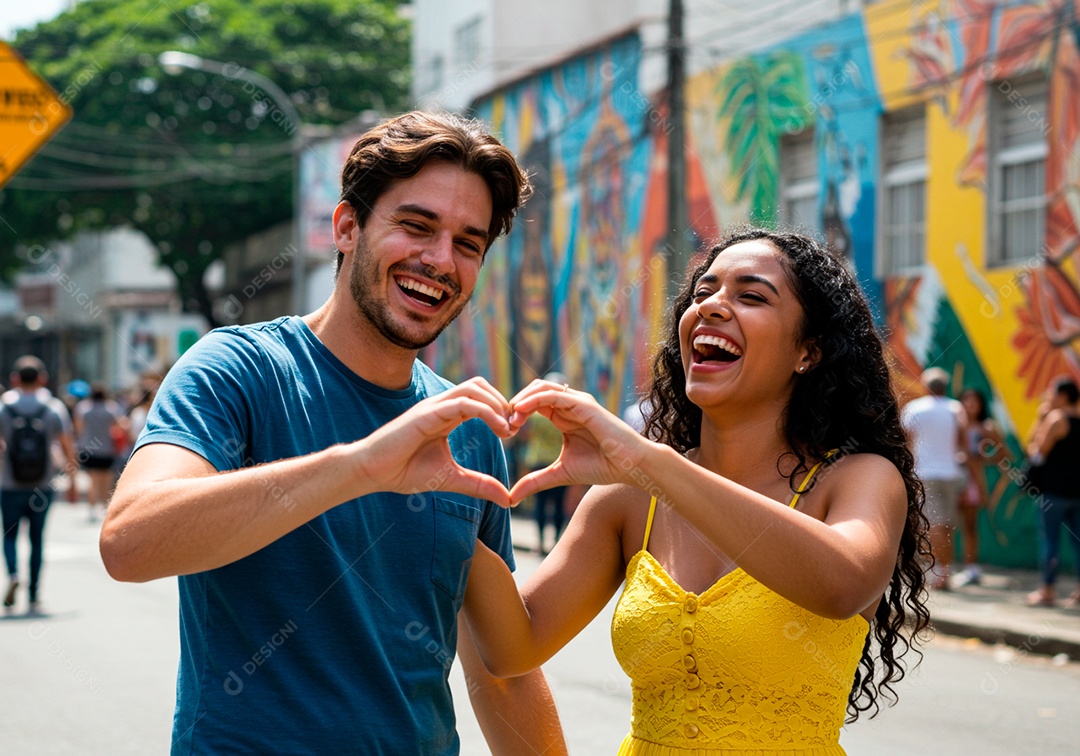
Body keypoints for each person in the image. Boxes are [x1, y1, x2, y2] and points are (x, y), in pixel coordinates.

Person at [100, 111, 566, 755]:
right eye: (415, 225)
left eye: (468, 243)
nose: (438, 260)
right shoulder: (240, 370)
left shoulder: (467, 429)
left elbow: (499, 668)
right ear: (347, 226)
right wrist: (361, 466)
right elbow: (130, 542)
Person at [461, 229, 932, 753]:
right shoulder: (627, 498)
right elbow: (512, 648)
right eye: (703, 294)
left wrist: (648, 461)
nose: (711, 308)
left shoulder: (857, 478)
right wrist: (446, 494)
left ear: (808, 351)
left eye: (751, 296)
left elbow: (842, 583)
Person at [1, 356, 76, 614]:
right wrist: (73, 480)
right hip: (42, 485)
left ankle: (12, 573)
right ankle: (33, 595)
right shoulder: (53, 408)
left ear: (14, 379)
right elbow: (67, 446)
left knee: (9, 535)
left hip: (9, 483)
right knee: (37, 540)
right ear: (43, 379)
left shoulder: (3, 408)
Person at [901, 367, 966, 589]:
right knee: (947, 523)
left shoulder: (914, 409)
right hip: (952, 473)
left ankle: (939, 572)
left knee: (933, 523)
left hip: (926, 474)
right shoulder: (956, 408)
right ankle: (944, 571)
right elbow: (963, 441)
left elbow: (906, 443)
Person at [1024, 377, 1080, 607]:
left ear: (1063, 396)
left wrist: (1040, 420)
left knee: (1051, 541)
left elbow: (1037, 452)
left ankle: (1047, 590)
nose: (1049, 397)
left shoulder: (1056, 419)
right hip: (1077, 492)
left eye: (1052, 393)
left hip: (1054, 493)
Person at [954, 388, 1006, 587]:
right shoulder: (954, 424)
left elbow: (1004, 455)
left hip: (972, 482)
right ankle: (944, 567)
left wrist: (980, 458)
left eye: (974, 401)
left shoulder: (986, 427)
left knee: (969, 526)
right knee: (945, 524)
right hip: (951, 479)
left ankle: (971, 567)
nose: (970, 405)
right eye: (966, 401)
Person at [519, 371, 569, 555]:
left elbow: (525, 434)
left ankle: (539, 542)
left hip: (537, 461)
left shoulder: (537, 414)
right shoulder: (565, 415)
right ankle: (555, 540)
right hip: (560, 462)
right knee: (558, 503)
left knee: (539, 504)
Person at [73, 382, 126, 522]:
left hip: (89, 447)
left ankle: (91, 509)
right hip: (107, 448)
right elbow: (119, 425)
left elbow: (78, 427)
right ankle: (105, 507)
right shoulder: (111, 408)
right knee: (107, 480)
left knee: (92, 480)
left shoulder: (83, 408)